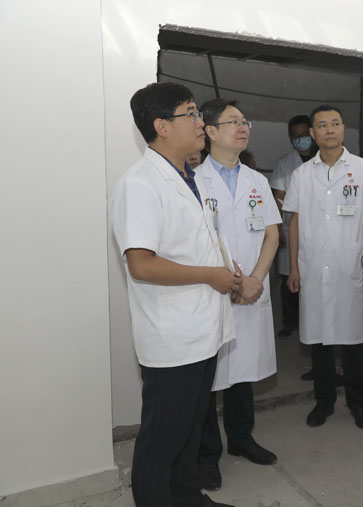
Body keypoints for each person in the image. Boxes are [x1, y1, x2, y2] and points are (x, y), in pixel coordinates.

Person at [110, 82, 240, 507]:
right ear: (162, 126)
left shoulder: (187, 176)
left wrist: (223, 268)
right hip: (172, 338)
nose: (201, 122)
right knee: (162, 439)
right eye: (192, 114)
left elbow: (190, 243)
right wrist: (211, 275)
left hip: (201, 330)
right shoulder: (141, 183)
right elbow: (142, 264)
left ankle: (188, 498)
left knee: (190, 428)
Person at [195, 99, 281, 490]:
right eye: (233, 122)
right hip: (213, 291)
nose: (243, 127)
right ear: (210, 131)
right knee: (208, 376)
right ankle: (207, 455)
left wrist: (255, 279)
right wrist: (233, 282)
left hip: (251, 290)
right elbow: (194, 242)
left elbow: (272, 235)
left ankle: (242, 439)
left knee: (242, 371)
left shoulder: (257, 181)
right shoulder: (194, 181)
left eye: (245, 121)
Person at [283, 104, 363, 429]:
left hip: (349, 266)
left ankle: (358, 402)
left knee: (353, 338)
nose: (330, 129)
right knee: (319, 339)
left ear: (343, 128)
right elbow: (294, 223)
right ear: (313, 133)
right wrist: (294, 268)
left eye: (335, 123)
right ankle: (323, 401)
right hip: (311, 268)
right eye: (322, 125)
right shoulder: (301, 175)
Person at [270, 115, 316, 339]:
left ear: (312, 133)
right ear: (291, 138)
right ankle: (290, 322)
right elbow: (278, 198)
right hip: (291, 229)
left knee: (314, 278)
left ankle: (312, 321)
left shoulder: (323, 158)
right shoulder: (285, 163)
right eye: (297, 136)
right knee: (289, 278)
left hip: (318, 230)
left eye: (305, 135)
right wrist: (278, 230)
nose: (301, 139)